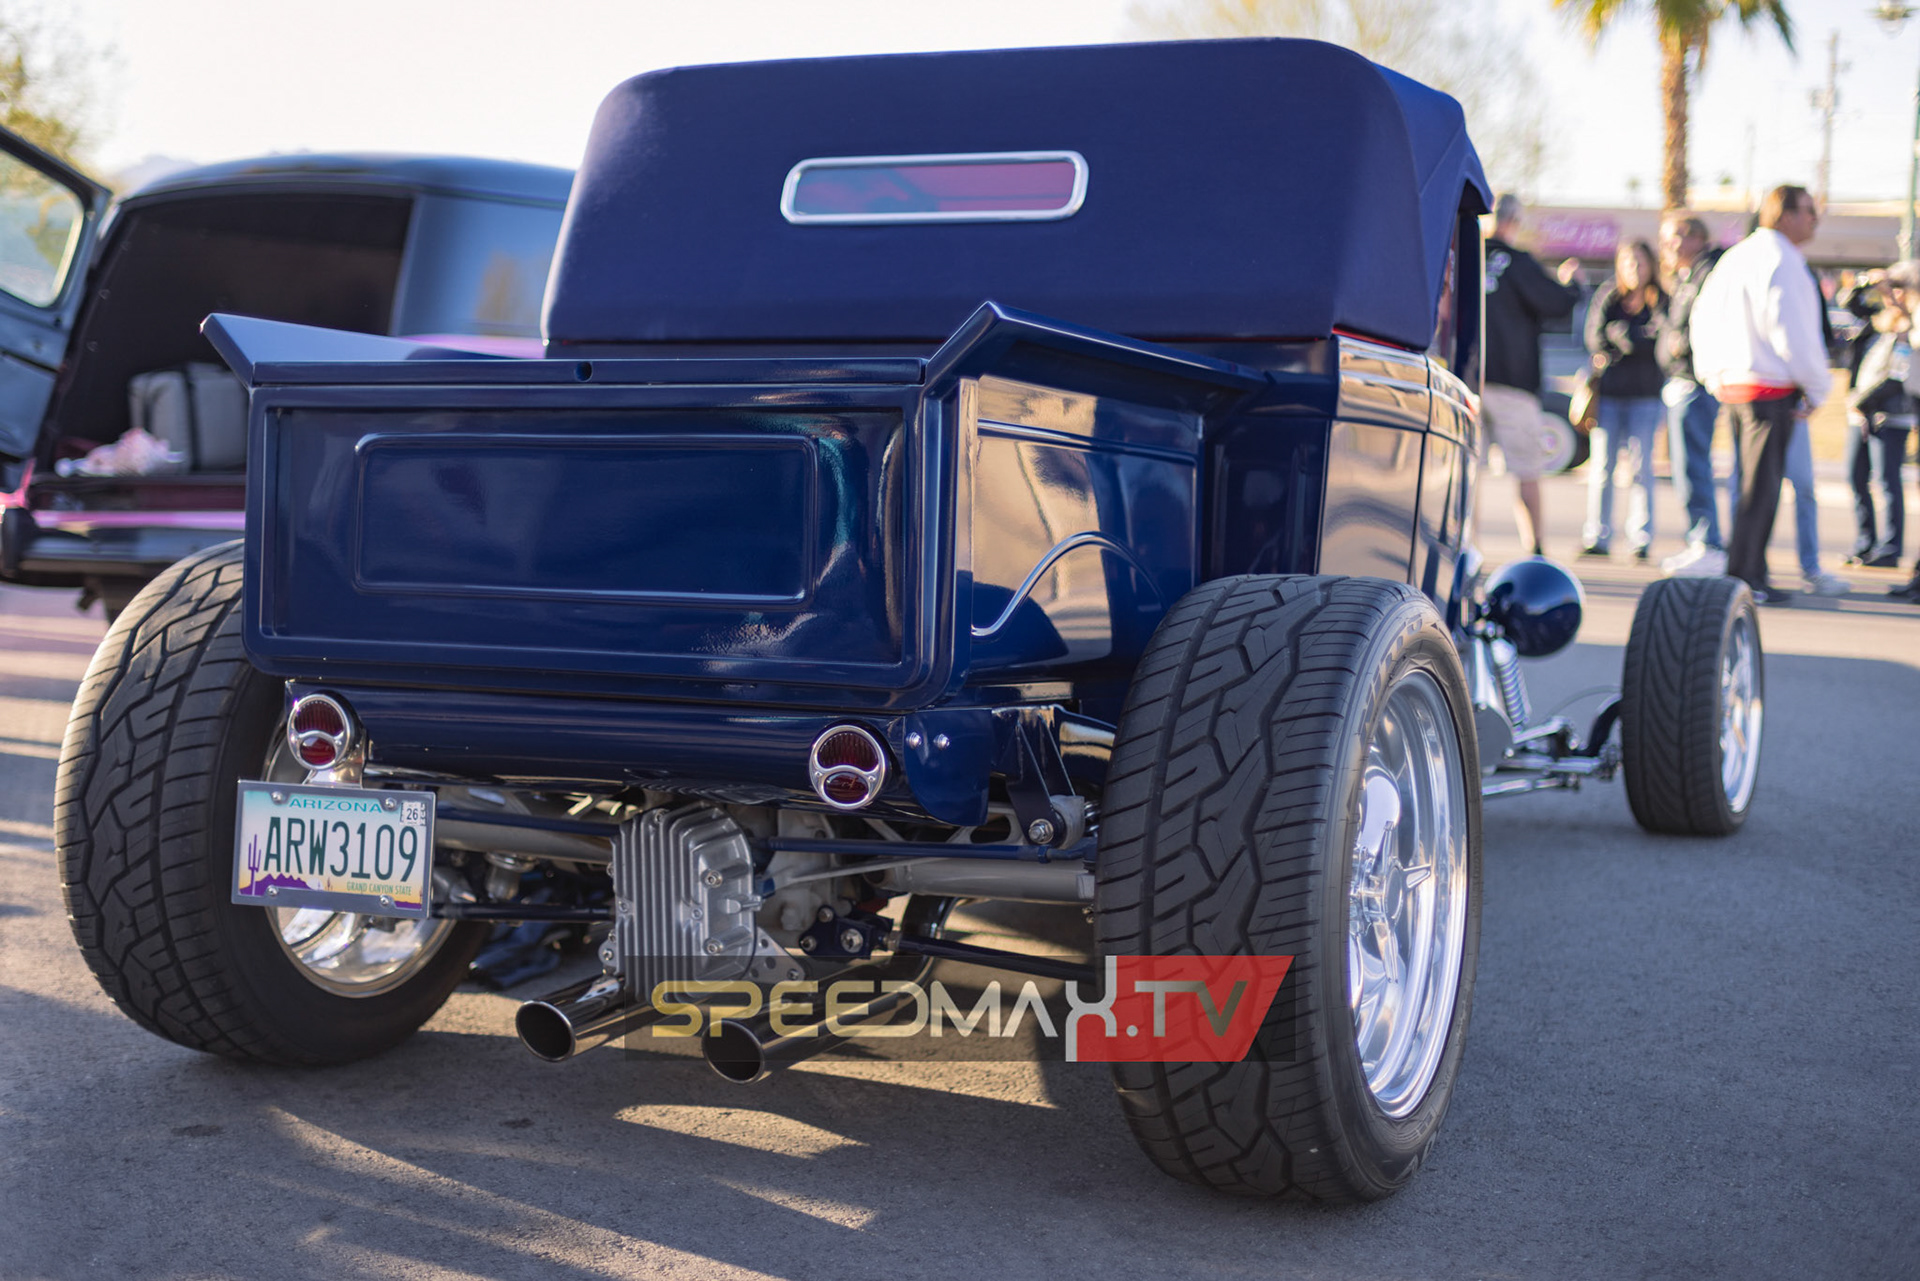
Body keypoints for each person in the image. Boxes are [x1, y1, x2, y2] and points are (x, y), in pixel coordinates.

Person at [1685, 185, 1831, 603]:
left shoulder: (1736, 257)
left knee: (1750, 486)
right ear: (1784, 215)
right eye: (1808, 211)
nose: (1814, 220)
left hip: (1737, 386)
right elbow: (1793, 332)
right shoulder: (1782, 259)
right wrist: (1817, 388)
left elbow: (1701, 318)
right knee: (1759, 489)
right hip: (1767, 389)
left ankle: (1748, 572)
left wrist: (1712, 373)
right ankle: (1747, 577)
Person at [1482, 192, 1583, 555]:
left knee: (1464, 474)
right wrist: (1572, 284)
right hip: (1512, 384)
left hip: (1468, 380)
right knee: (1527, 471)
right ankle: (1535, 548)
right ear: (1514, 222)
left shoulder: (1462, 257)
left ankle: (1461, 549)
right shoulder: (1519, 262)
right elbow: (1556, 302)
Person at [1581, 239, 1667, 558]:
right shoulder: (1609, 296)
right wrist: (1628, 337)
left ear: (1651, 265)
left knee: (1642, 468)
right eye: (1629, 262)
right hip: (1609, 395)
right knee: (1602, 467)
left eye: (1640, 262)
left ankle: (1640, 538)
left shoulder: (1660, 300)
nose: (1634, 268)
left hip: (1645, 395)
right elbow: (1594, 337)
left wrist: (1620, 335)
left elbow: (1659, 340)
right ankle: (1597, 535)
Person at [1656, 214, 1727, 575]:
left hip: (1695, 383)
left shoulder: (1709, 271)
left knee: (1693, 467)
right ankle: (1699, 540)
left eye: (1677, 236)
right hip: (1680, 382)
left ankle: (1708, 544)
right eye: (1666, 238)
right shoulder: (1686, 275)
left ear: (1698, 237)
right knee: (1684, 468)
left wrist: (1681, 345)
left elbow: (1709, 321)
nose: (1669, 245)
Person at [1838, 262, 1917, 567]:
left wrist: (1861, 401)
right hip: (1860, 415)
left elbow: (1897, 376)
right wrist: (1867, 282)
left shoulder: (1910, 328)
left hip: (1889, 416)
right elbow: (1849, 303)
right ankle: (1866, 541)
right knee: (1856, 477)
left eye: (1899, 288)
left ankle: (1891, 548)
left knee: (1887, 481)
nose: (1892, 294)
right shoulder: (1878, 322)